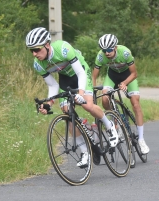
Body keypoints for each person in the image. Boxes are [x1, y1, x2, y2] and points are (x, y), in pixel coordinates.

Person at [25, 27, 119, 167]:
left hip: (80, 72)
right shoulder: (38, 64)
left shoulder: (63, 48)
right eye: (31, 50)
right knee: (67, 112)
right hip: (66, 79)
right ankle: (85, 152)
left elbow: (81, 73)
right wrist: (49, 104)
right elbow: (53, 86)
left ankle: (109, 125)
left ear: (47, 44)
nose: (34, 54)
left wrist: (80, 94)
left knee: (87, 104)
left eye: (37, 49)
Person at [92, 34, 150, 154]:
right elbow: (94, 75)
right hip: (112, 76)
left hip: (128, 76)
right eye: (104, 50)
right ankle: (116, 122)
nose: (106, 53)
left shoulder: (125, 53)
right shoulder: (101, 56)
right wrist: (91, 89)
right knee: (104, 99)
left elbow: (134, 74)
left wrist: (124, 83)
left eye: (109, 50)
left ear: (115, 48)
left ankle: (141, 139)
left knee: (135, 103)